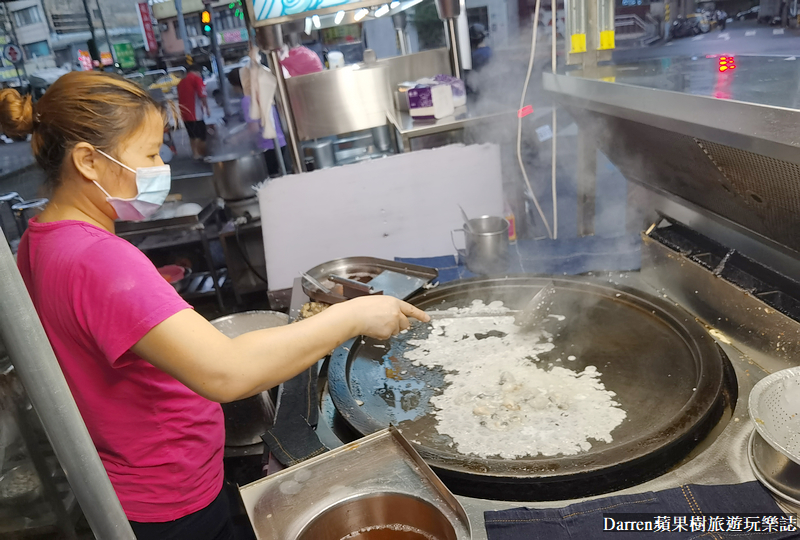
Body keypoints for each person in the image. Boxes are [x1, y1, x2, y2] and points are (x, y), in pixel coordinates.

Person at [0, 71, 429, 539]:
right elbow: (225, 374)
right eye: (148, 154)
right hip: (169, 498)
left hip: (145, 479)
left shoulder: (38, 240)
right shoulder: (97, 258)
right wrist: (352, 314)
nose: (160, 165)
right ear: (88, 161)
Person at [226, 68, 290, 176]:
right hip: (279, 142)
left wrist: (234, 139)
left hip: (267, 146)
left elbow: (253, 129)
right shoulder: (261, 93)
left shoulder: (247, 100)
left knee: (270, 180)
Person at [177, 64, 210, 159]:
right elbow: (202, 94)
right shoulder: (196, 79)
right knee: (200, 135)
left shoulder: (181, 82)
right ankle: (201, 153)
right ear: (197, 71)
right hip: (196, 113)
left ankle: (195, 153)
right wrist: (207, 108)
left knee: (192, 134)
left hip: (185, 113)